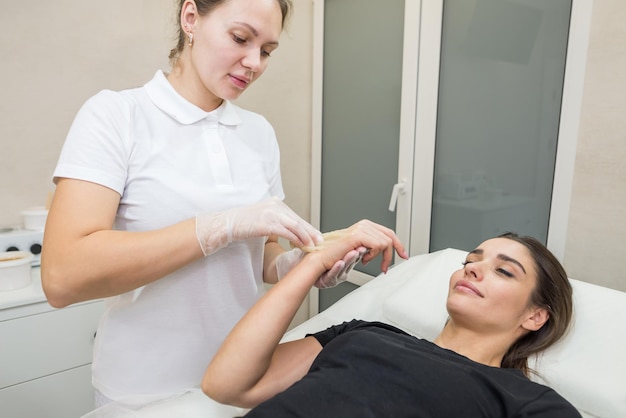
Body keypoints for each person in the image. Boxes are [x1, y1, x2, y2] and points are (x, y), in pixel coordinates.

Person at [41, 0, 357, 407]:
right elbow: (62, 276)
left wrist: (295, 265)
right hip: (144, 389)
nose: (254, 62)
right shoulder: (117, 116)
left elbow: (261, 254)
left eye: (266, 51)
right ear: (190, 18)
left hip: (245, 380)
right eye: (240, 38)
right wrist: (218, 226)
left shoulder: (258, 133)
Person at [202, 227, 581, 417]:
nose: (474, 270)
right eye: (471, 261)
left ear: (536, 316)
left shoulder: (527, 401)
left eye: (504, 271)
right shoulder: (364, 332)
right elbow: (225, 384)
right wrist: (314, 262)